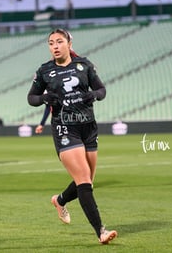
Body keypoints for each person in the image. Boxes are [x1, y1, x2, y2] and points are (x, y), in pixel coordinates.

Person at [27, 28, 117, 244]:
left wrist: (93, 94)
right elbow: (32, 97)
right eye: (51, 43)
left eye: (59, 41)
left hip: (88, 127)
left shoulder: (84, 65)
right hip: (64, 128)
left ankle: (59, 201)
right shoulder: (45, 71)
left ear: (68, 43)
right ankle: (101, 232)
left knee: (86, 182)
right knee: (84, 179)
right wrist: (45, 98)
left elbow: (102, 90)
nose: (55, 46)